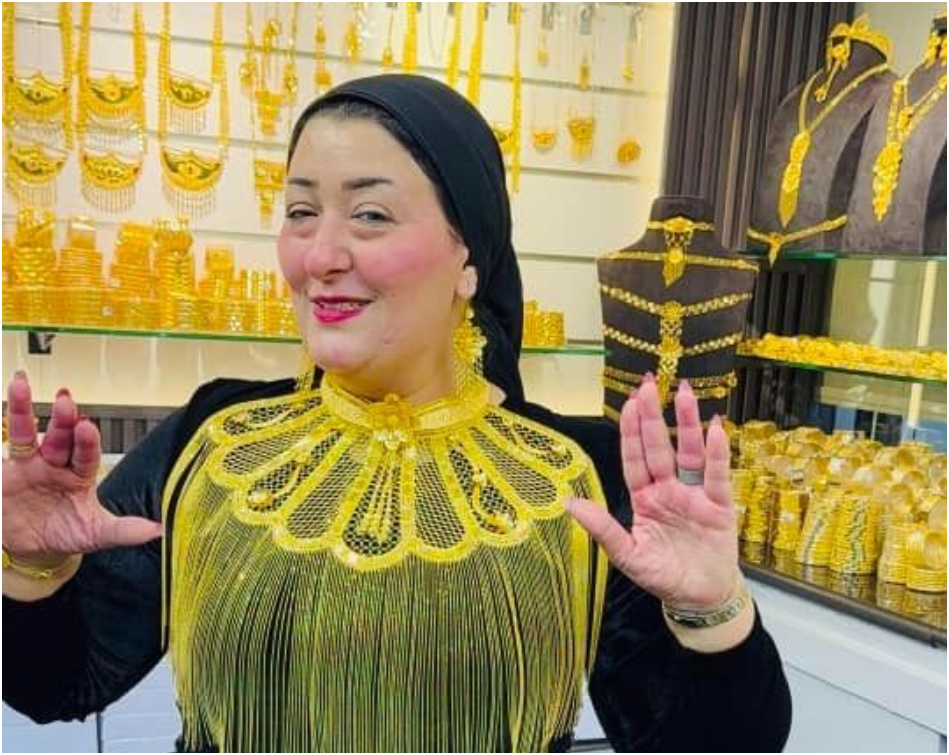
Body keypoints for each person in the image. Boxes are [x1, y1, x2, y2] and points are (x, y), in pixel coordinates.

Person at [2, 74, 791, 753]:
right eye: (300, 211)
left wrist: (710, 610)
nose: (320, 255)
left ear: (467, 257)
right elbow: (57, 683)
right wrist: (30, 567)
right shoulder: (213, 441)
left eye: (371, 215)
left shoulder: (575, 474)